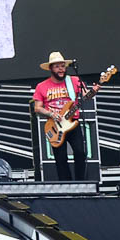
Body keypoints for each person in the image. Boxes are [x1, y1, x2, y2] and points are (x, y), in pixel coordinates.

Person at [32, 52, 93, 181]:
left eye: (63, 66)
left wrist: (94, 90)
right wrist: (51, 114)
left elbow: (86, 96)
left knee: (80, 152)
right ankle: (67, 184)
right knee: (60, 158)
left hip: (72, 122)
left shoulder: (74, 81)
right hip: (55, 126)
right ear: (51, 68)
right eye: (57, 66)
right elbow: (37, 108)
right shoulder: (42, 86)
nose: (61, 69)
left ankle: (81, 182)